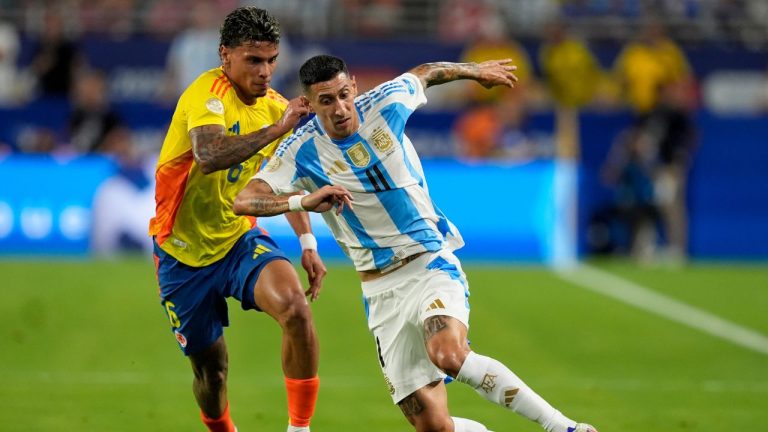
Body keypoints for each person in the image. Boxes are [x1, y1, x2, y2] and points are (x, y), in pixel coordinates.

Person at [234, 54, 599, 432]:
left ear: (354, 86)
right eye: (326, 101)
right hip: (379, 291)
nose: (340, 108)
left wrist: (476, 73)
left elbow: (427, 72)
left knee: (448, 353)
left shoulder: (387, 102)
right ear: (309, 104)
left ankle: (564, 427)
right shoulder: (300, 150)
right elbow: (244, 200)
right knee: (434, 426)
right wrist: (301, 201)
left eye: (344, 94)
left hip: (428, 262)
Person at [148, 8, 323, 432]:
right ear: (225, 55)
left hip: (237, 239)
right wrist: (276, 129)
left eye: (271, 60)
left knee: (296, 310)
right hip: (181, 254)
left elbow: (286, 182)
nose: (265, 72)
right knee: (213, 374)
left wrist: (308, 244)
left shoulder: (277, 110)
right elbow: (209, 156)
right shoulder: (205, 96)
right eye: (253, 60)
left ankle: (299, 429)